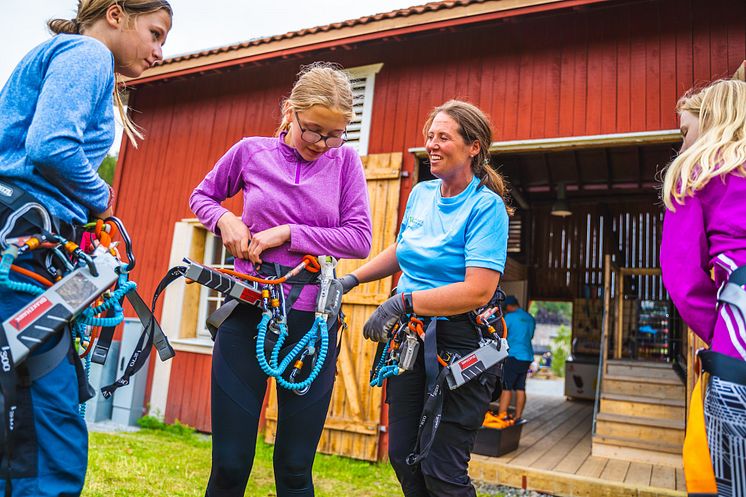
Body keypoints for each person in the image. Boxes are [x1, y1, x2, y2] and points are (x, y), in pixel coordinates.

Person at [0, 1, 172, 495]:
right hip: (25, 249)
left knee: (19, 413)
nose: (160, 51)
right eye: (155, 34)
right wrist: (101, 200)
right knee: (50, 426)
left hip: (24, 244)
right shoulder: (87, 54)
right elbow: (52, 144)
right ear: (116, 14)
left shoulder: (59, 53)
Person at [189, 62, 372, 497]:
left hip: (312, 328)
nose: (322, 144)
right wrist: (225, 220)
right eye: (313, 130)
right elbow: (202, 196)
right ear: (289, 111)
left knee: (294, 469)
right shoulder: (251, 152)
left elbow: (360, 238)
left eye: (333, 134)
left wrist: (290, 233)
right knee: (230, 466)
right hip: (248, 316)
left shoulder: (345, 162)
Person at [339, 100, 510, 497]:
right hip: (411, 340)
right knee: (402, 455)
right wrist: (352, 279)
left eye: (443, 137)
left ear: (474, 146)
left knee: (441, 468)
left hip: (462, 342)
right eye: (430, 136)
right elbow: (403, 250)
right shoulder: (421, 194)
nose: (432, 144)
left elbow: (478, 290)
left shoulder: (486, 207)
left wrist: (404, 302)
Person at [660, 79, 746, 497]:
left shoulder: (696, 173)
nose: (682, 144)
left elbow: (684, 279)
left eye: (685, 131)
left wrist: (719, 332)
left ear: (711, 123)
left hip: (737, 358)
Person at [495, 295, 535, 424]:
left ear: (511, 306)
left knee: (506, 387)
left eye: (506, 308)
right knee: (520, 387)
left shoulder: (510, 317)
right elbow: (531, 335)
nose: (505, 310)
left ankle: (501, 416)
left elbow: (502, 334)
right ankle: (518, 416)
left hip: (513, 355)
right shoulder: (530, 318)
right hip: (526, 356)